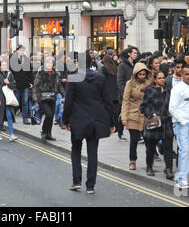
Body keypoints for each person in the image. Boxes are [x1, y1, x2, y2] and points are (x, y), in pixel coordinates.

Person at [63, 50, 116, 194]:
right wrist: (112, 122)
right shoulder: (100, 78)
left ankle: (76, 181)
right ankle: (90, 186)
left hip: (78, 120)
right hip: (96, 120)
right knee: (93, 152)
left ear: (78, 63)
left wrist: (65, 120)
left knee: (76, 150)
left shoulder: (73, 78)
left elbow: (68, 102)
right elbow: (108, 101)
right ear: (91, 62)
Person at [169, 65, 189, 189]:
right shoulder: (177, 89)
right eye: (187, 74)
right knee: (184, 151)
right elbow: (172, 108)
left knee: (188, 151)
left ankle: (182, 177)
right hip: (181, 124)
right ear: (181, 75)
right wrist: (182, 121)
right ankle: (181, 179)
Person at [140, 71, 174, 179]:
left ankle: (168, 169)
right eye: (159, 78)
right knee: (151, 147)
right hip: (154, 123)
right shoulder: (150, 91)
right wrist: (151, 113)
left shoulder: (169, 91)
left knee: (168, 147)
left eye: (163, 77)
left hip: (166, 123)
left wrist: (172, 112)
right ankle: (149, 166)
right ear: (155, 80)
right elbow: (142, 107)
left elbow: (173, 104)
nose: (162, 80)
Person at [121, 62, 153, 170]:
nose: (142, 76)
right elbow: (125, 100)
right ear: (135, 74)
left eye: (144, 74)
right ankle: (132, 161)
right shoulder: (129, 83)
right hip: (133, 114)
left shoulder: (150, 83)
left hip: (146, 115)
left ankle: (150, 160)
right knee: (134, 139)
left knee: (148, 139)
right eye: (140, 74)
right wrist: (124, 117)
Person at [32, 57, 65, 141]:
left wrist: (64, 94)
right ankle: (44, 132)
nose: (49, 64)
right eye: (47, 63)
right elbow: (35, 86)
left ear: (53, 64)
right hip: (42, 98)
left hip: (52, 97)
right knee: (49, 114)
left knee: (51, 116)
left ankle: (48, 134)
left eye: (51, 63)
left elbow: (59, 85)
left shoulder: (56, 73)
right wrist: (36, 99)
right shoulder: (41, 73)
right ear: (45, 64)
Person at [0, 59, 18, 142]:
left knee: (9, 116)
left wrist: (8, 83)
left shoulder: (10, 74)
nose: (5, 67)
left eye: (6, 65)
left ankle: (11, 135)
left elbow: (13, 86)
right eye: (3, 65)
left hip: (8, 99)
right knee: (0, 118)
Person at [117, 47, 138, 141]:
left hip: (135, 93)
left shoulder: (135, 65)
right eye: (134, 53)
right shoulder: (122, 66)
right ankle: (120, 133)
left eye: (136, 53)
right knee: (124, 113)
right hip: (125, 93)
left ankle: (137, 134)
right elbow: (120, 81)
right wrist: (124, 93)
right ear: (129, 54)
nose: (136, 55)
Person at [11, 45, 33, 125]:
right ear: (17, 51)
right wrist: (12, 83)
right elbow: (11, 73)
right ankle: (12, 117)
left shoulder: (27, 60)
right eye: (20, 50)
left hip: (25, 85)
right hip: (16, 84)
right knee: (15, 102)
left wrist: (31, 82)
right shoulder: (13, 60)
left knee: (25, 102)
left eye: (23, 50)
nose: (21, 52)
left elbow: (30, 72)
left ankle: (25, 119)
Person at [101, 54, 122, 141]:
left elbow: (103, 79)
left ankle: (110, 125)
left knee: (109, 110)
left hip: (108, 92)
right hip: (115, 91)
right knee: (117, 111)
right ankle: (117, 127)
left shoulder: (104, 68)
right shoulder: (115, 68)